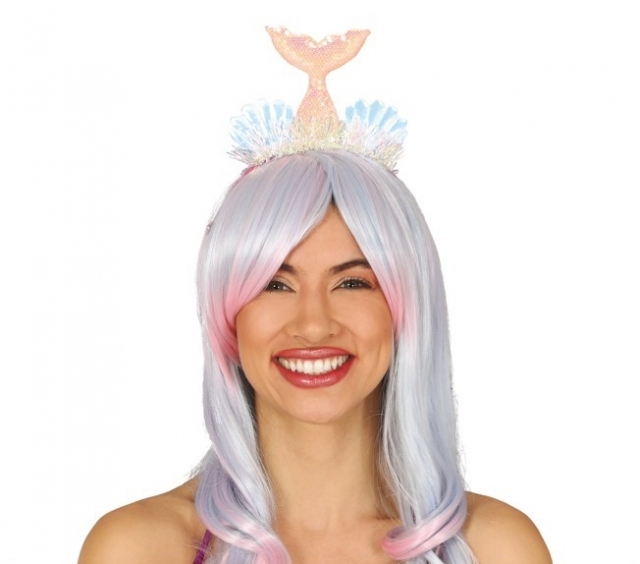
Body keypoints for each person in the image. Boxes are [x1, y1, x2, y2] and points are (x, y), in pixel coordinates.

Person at [78, 28, 551, 564]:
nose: (313, 324)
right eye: (274, 284)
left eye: (352, 282)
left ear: (406, 309)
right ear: (228, 315)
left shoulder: (493, 548)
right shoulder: (142, 548)